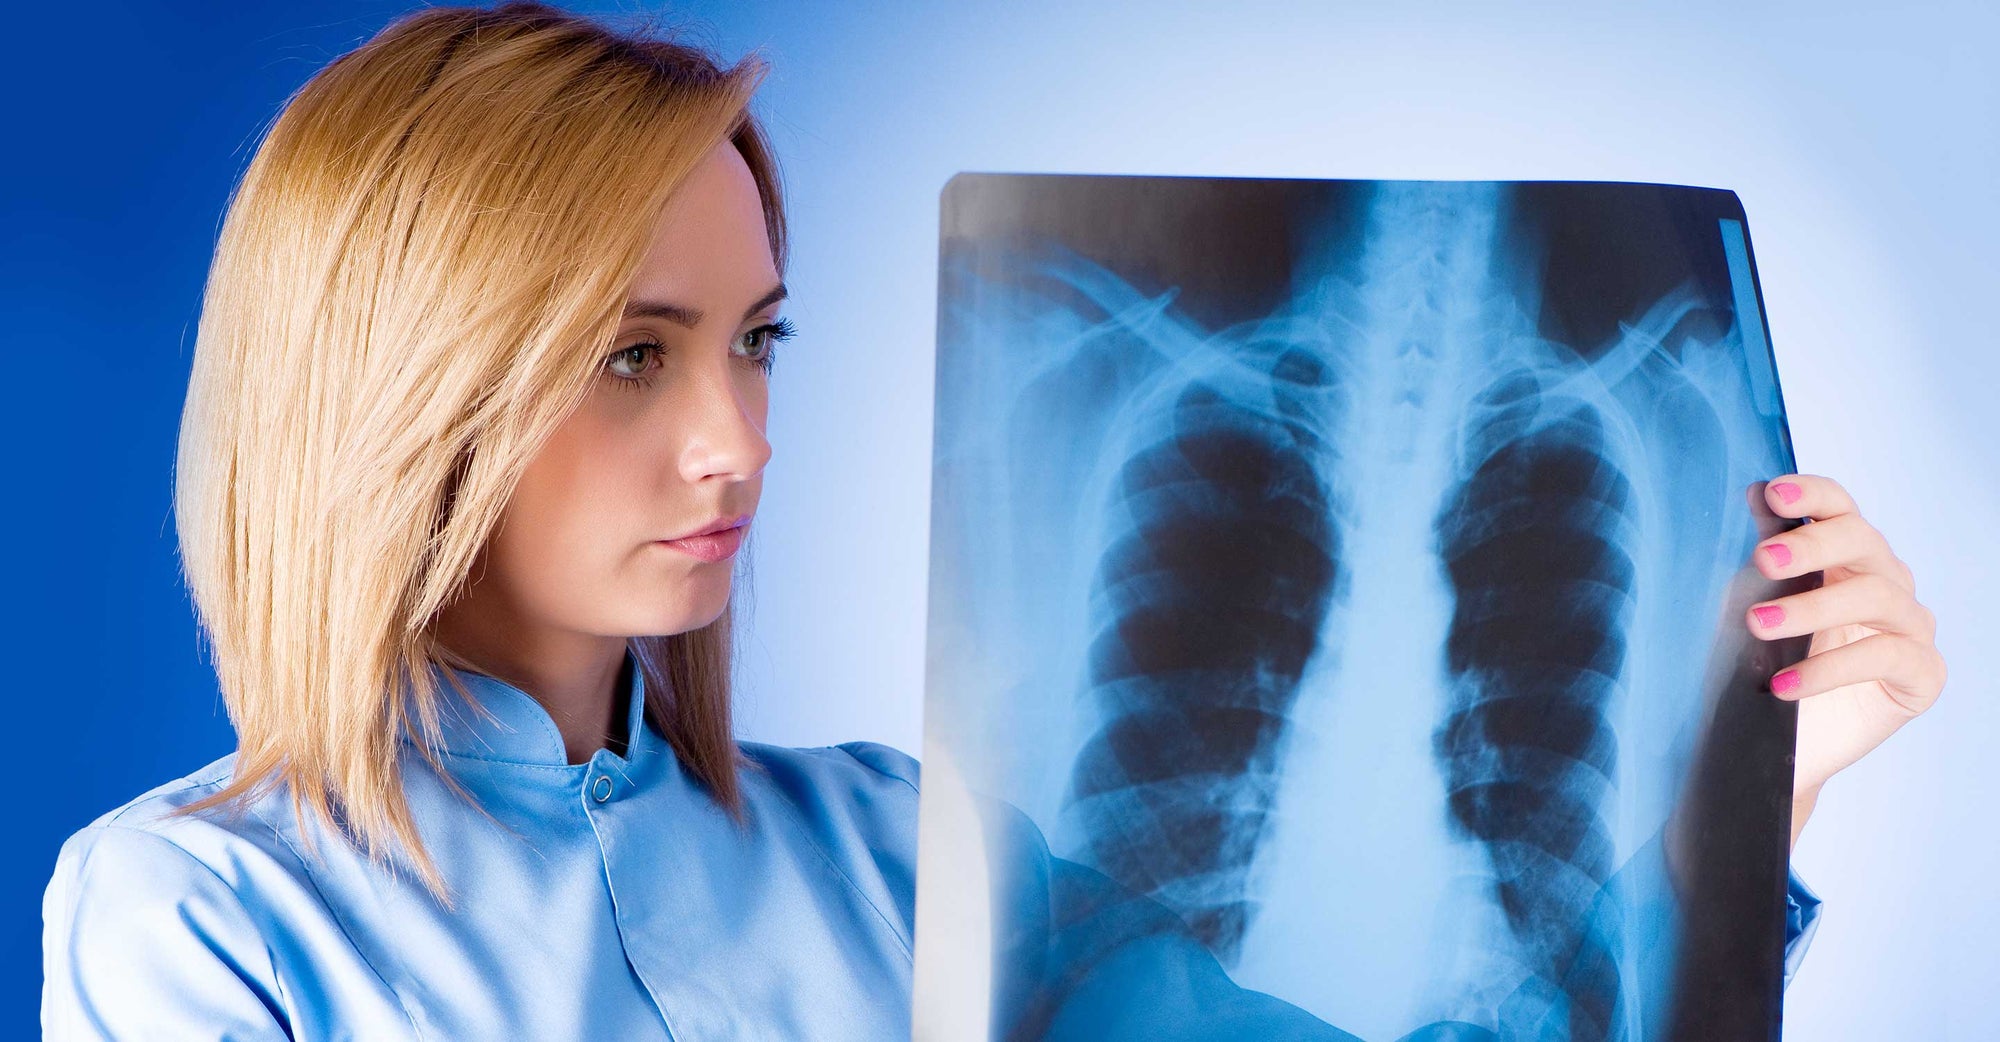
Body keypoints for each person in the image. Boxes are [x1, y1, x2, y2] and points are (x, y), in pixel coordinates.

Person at [39, 3, 1948, 1040]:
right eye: (628, 358)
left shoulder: (908, 846)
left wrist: (1748, 801)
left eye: (759, 344)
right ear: (398, 390)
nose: (737, 445)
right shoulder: (199, 915)